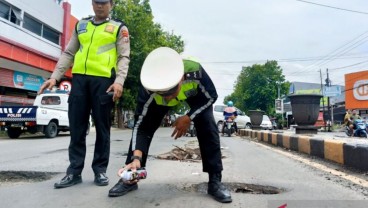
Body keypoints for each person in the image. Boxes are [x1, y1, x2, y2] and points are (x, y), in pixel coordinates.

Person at [108, 47, 232, 203]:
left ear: (181, 78)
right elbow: (141, 127)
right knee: (144, 127)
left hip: (197, 98)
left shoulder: (195, 71)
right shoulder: (148, 85)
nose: (168, 100)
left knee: (207, 123)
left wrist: (188, 117)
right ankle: (131, 175)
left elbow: (211, 97)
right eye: (163, 95)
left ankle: (215, 181)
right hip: (155, 102)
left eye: (170, 94)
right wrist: (136, 157)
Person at [38, 0, 130, 188]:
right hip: (79, 81)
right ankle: (74, 173)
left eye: (104, 3)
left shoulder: (119, 27)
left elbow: (123, 56)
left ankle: (100, 171)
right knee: (77, 128)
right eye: (97, 2)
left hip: (104, 82)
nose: (100, 6)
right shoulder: (81, 25)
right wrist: (55, 77)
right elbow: (69, 52)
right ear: (92, 4)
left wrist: (119, 81)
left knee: (103, 129)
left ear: (111, 4)